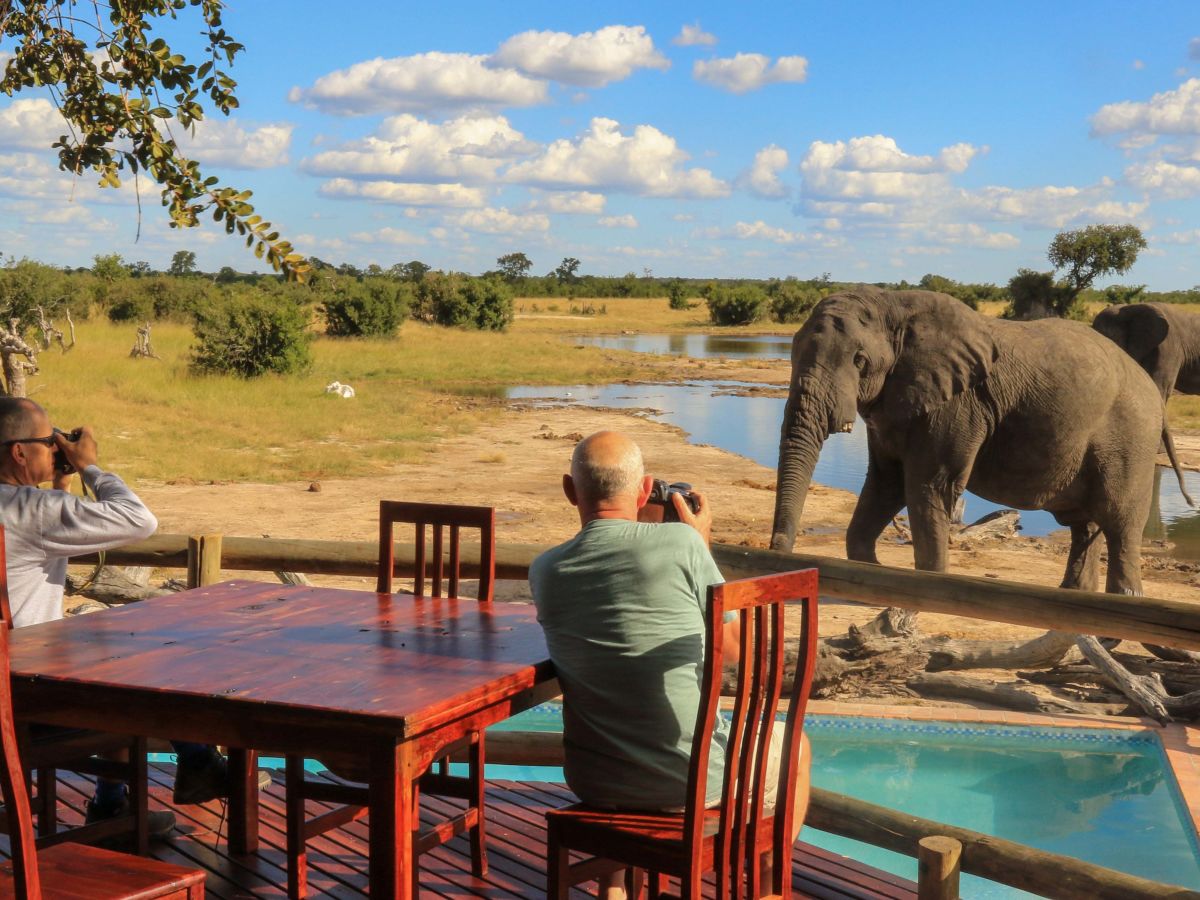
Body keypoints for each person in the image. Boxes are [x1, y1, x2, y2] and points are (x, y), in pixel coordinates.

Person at [529, 430, 810, 898]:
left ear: (569, 490)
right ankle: (765, 888)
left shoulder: (545, 570)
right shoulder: (682, 544)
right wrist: (700, 543)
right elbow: (736, 648)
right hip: (692, 785)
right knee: (795, 744)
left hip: (596, 784)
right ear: (645, 491)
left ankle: (615, 888)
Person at [0, 397, 263, 839]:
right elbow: (139, 520)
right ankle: (190, 764)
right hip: (28, 698)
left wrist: (60, 482)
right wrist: (89, 467)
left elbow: (41, 534)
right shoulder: (32, 511)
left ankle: (120, 802)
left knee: (106, 655)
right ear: (19, 452)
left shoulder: (26, 510)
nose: (57, 445)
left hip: (13, 685)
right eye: (49, 440)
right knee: (135, 666)